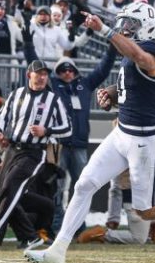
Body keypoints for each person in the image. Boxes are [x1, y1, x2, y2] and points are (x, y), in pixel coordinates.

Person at [24, 3, 155, 263]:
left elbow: (143, 61)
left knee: (144, 209)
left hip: (144, 140)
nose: (126, 28)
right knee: (84, 184)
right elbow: (136, 83)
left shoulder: (153, 50)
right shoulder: (132, 52)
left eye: (132, 25)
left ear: (147, 27)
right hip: (122, 132)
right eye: (124, 23)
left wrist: (104, 29)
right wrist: (113, 93)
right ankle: (58, 249)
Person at [0, 60, 72, 248]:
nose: (42, 77)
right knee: (7, 192)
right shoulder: (16, 94)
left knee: (10, 188)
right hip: (12, 149)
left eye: (45, 74)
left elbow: (68, 129)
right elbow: (2, 117)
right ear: (29, 75)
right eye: (39, 73)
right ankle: (28, 236)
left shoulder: (53, 99)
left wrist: (47, 131)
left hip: (34, 152)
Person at [49, 50, 118, 232]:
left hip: (79, 144)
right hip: (57, 144)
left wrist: (112, 49)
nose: (67, 73)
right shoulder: (52, 85)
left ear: (75, 71)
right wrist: (27, 43)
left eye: (70, 69)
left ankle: (77, 224)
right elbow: (34, 70)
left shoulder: (84, 85)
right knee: (55, 185)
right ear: (57, 72)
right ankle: (55, 224)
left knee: (83, 185)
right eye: (63, 70)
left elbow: (102, 71)